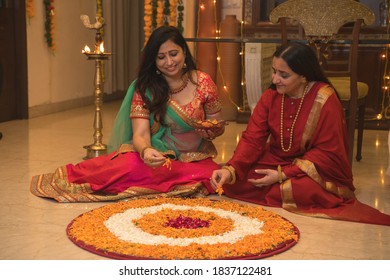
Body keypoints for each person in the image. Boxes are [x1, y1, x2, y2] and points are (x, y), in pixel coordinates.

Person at [31, 26, 225, 202]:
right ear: (154, 60)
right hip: (159, 156)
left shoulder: (204, 83)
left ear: (184, 51)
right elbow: (140, 135)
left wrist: (212, 131)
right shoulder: (146, 87)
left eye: (174, 54)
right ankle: (72, 176)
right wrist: (146, 151)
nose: (169, 62)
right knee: (128, 168)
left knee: (216, 176)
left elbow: (216, 123)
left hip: (194, 159)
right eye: (161, 57)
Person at [211, 42, 390, 226]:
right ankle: (269, 185)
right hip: (275, 158)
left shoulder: (325, 99)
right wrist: (231, 168)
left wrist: (282, 175)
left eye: (284, 75)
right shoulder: (271, 96)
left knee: (301, 190)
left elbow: (327, 153)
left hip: (313, 168)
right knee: (235, 180)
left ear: (304, 76)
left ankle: (279, 188)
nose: (274, 79)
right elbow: (252, 138)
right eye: (274, 71)